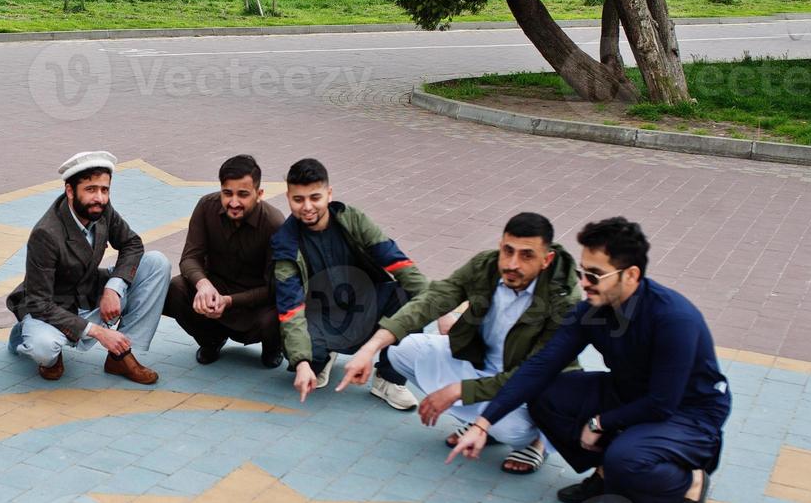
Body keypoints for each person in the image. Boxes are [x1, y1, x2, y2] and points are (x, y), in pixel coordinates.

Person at [449, 217, 731, 503]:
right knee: (545, 394)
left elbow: (662, 403)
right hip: (631, 394)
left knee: (627, 461)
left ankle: (688, 485)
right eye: (583, 272)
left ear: (631, 275)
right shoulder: (592, 311)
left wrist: (600, 422)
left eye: (595, 275)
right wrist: (483, 424)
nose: (583, 282)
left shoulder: (674, 319)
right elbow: (540, 367)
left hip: (689, 412)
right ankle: (605, 471)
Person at [336, 212, 580, 474]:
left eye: (526, 255)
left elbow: (533, 373)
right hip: (480, 365)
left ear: (547, 259)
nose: (512, 264)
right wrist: (369, 348)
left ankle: (533, 441)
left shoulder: (564, 299)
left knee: (510, 428)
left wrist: (459, 390)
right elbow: (432, 299)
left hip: (527, 389)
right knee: (401, 350)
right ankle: (483, 423)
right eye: (507, 251)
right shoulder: (485, 266)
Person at [272, 158, 428, 404]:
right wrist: (302, 363)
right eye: (298, 199)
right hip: (320, 319)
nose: (307, 206)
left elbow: (398, 263)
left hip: (363, 305)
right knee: (302, 356)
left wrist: (441, 311)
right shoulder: (284, 244)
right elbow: (290, 310)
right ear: (288, 198)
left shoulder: (352, 220)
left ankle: (388, 379)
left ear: (329, 193)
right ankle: (322, 357)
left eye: (315, 197)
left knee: (406, 296)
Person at [7, 151, 170, 383]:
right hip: (52, 306)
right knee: (43, 348)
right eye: (91, 189)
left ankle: (120, 355)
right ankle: (27, 335)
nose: (100, 198)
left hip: (89, 292)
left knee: (156, 263)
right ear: (70, 191)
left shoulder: (102, 209)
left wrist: (113, 288)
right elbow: (39, 302)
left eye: (105, 189)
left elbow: (131, 244)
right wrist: (98, 332)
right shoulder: (46, 233)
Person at [163, 154, 285, 367]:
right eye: (227, 193)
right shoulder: (206, 207)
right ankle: (210, 341)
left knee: (279, 311)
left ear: (259, 194)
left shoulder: (274, 224)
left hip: (255, 304)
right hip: (215, 292)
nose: (234, 202)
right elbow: (190, 258)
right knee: (176, 288)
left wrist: (230, 301)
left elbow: (274, 288)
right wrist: (204, 285)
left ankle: (273, 347)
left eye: (243, 194)